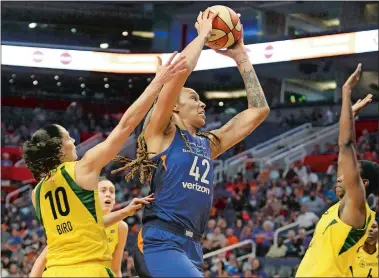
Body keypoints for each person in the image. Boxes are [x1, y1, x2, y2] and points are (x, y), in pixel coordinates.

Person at [114, 10, 270, 278]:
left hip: (193, 246)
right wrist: (202, 36)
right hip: (160, 242)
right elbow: (179, 74)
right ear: (174, 106)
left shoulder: (207, 144)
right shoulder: (159, 134)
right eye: (195, 99)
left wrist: (241, 56)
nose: (203, 104)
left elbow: (259, 111)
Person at [24, 51, 188, 278]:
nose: (73, 141)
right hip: (89, 270)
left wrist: (124, 211)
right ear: (60, 148)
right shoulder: (83, 168)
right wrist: (158, 82)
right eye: (68, 138)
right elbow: (126, 125)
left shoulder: (36, 193)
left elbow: (83, 223)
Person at [296, 64, 378, 277]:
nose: (340, 177)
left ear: (363, 183)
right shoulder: (340, 207)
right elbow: (343, 152)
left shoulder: (358, 209)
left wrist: (346, 92)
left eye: (349, 173)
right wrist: (349, 117)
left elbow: (346, 145)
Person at [29, 178, 128, 277]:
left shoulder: (121, 227)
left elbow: (115, 269)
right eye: (103, 190)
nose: (108, 194)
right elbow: (43, 258)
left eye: (112, 191)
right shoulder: (76, 220)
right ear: (91, 195)